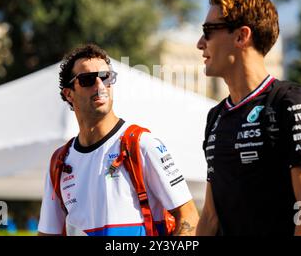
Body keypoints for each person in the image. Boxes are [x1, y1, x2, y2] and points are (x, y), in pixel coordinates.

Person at [195, 0, 301, 236]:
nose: (200, 43)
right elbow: (210, 217)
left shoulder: (291, 102)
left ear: (242, 36)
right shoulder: (216, 116)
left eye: (208, 31)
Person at [38, 43, 199, 236]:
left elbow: (189, 217)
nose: (100, 86)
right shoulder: (60, 161)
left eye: (106, 77)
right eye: (88, 79)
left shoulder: (142, 143)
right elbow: (48, 233)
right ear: (69, 94)